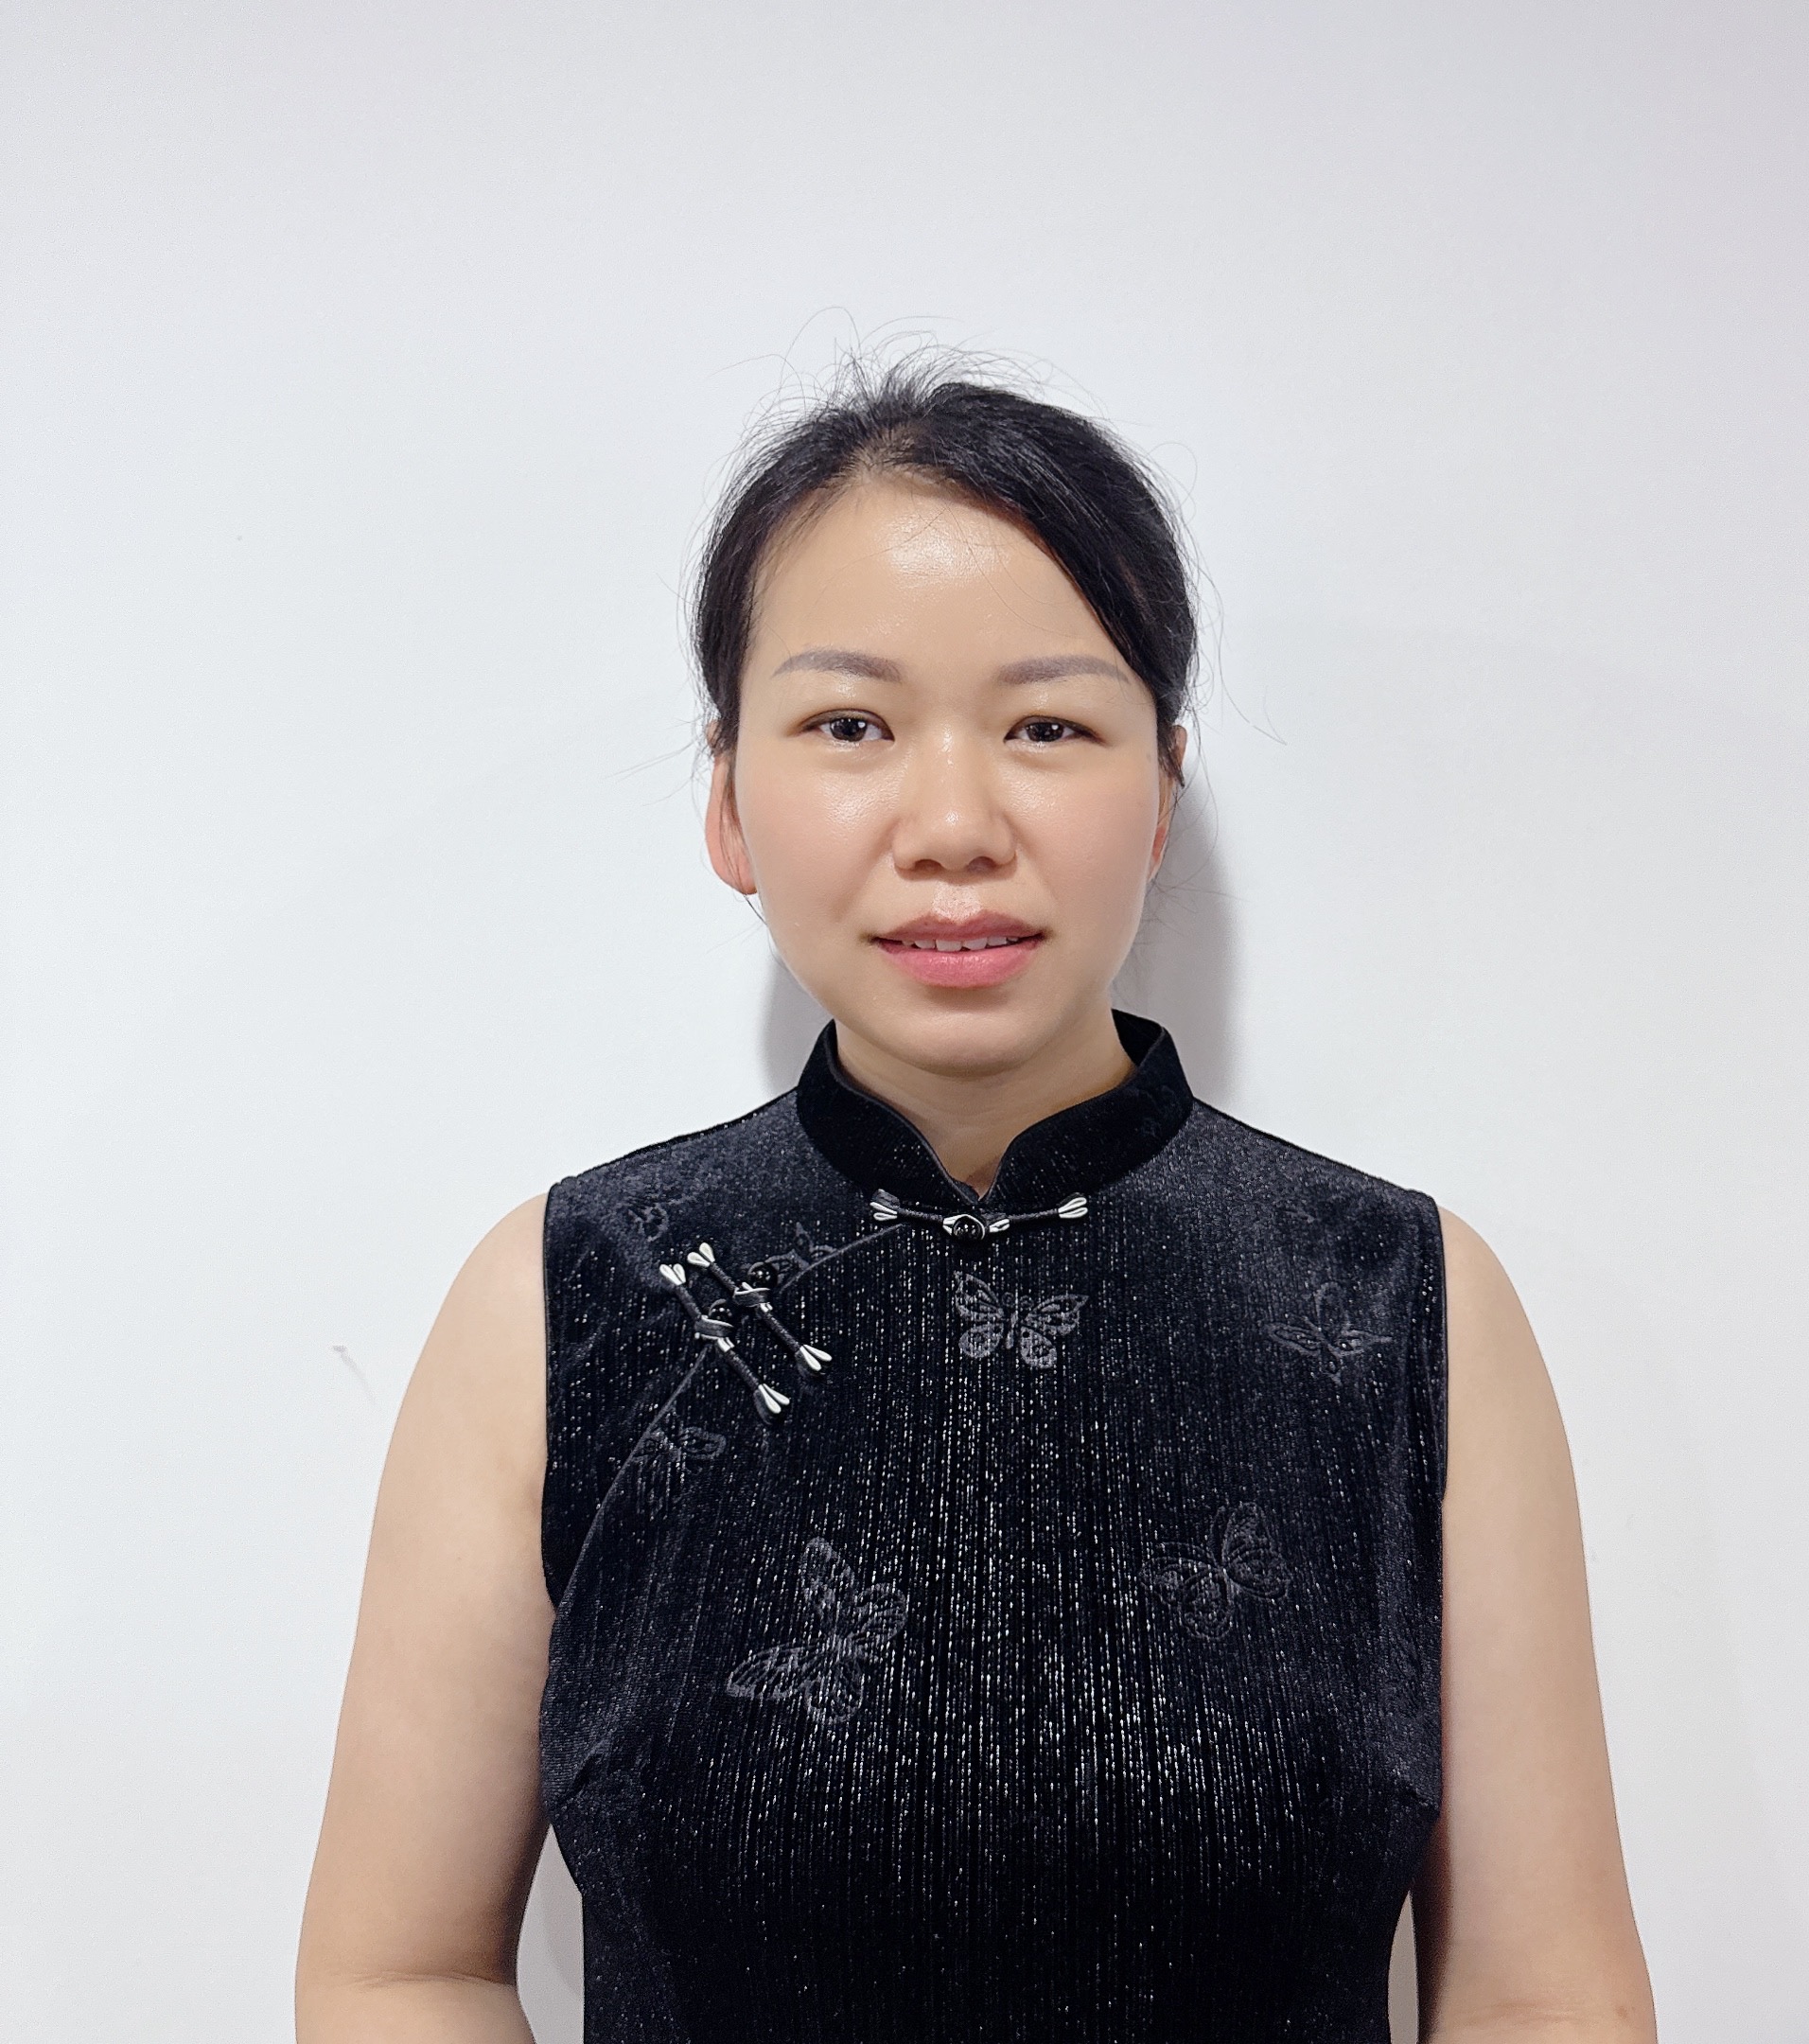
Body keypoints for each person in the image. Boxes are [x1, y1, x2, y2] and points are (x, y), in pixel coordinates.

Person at [296, 364, 1656, 2043]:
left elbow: (1543, 1993)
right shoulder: (569, 1298)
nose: (953, 827)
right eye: (850, 726)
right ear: (728, 797)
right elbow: (400, 1972)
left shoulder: (1402, 1302)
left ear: (1161, 793)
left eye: (1047, 728)